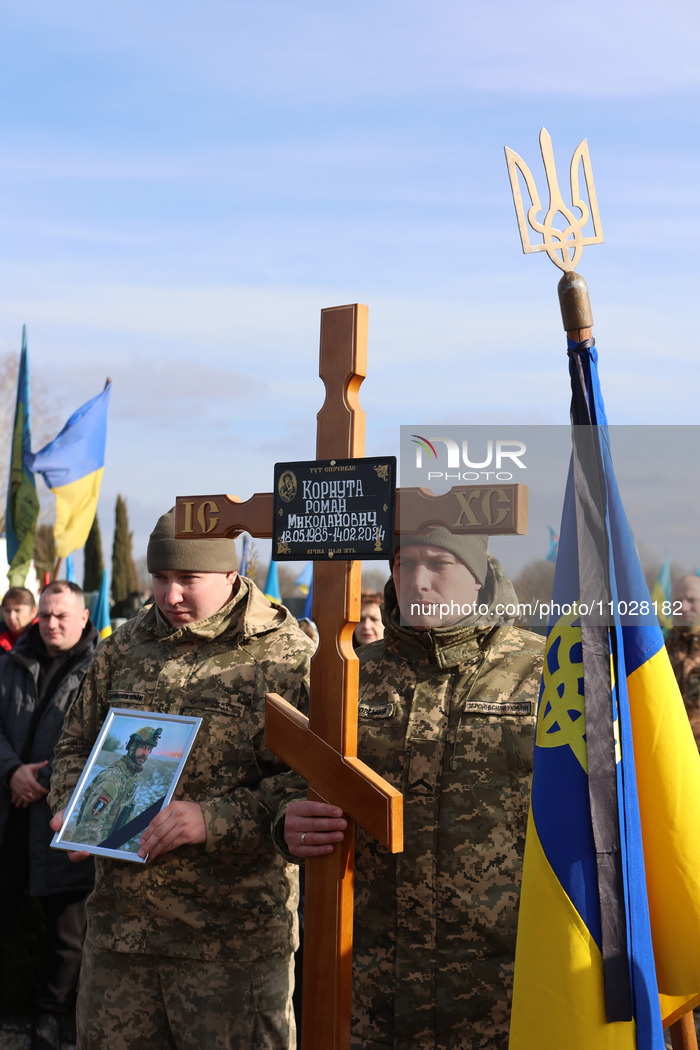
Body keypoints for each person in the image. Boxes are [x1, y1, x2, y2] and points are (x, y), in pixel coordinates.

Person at [49, 508, 314, 1050]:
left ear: (231, 574)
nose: (170, 596)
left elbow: (310, 782)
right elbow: (75, 742)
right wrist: (74, 803)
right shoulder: (123, 647)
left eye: (188, 579)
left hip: (230, 944)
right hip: (121, 935)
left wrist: (212, 820)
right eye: (160, 577)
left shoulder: (285, 656)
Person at [282, 527, 545, 1049]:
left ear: (478, 576)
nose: (418, 582)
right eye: (404, 564)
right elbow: (293, 780)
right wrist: (285, 818)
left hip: (505, 987)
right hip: (369, 985)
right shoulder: (349, 675)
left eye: (439, 564)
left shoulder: (545, 671)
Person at [0, 581, 97, 1050]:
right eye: (45, 614)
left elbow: (103, 739)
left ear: (83, 617)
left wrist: (43, 778)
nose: (52, 623)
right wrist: (12, 772)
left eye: (62, 615)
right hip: (9, 814)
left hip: (64, 817)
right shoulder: (10, 664)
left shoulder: (101, 668)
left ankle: (51, 1019)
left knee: (66, 932)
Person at [70, 726, 162, 846]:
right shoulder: (113, 780)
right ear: (132, 747)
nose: (145, 753)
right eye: (143, 747)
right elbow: (88, 828)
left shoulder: (131, 777)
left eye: (149, 749)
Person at [666, 574, 700, 750]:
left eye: (691, 600)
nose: (684, 607)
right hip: (671, 751)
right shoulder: (658, 652)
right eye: (678, 601)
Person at [0, 586, 38, 652]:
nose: (11, 617)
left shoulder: (44, 638)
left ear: (33, 612)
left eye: (17, 611)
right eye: (7, 611)